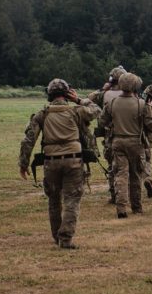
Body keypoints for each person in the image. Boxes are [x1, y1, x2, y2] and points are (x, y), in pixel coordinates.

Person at [19, 79, 101, 249]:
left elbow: (28, 140)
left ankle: (57, 235)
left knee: (54, 200)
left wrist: (23, 163)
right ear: (67, 94)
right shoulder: (77, 111)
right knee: (72, 199)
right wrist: (79, 100)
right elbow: (97, 111)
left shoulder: (42, 114)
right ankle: (66, 238)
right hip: (74, 160)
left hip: (51, 162)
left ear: (49, 95)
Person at [101, 73, 152, 218]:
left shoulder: (112, 103)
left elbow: (102, 122)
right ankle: (136, 207)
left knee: (121, 174)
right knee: (136, 175)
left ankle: (121, 208)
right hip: (135, 142)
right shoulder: (141, 104)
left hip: (117, 141)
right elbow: (151, 125)